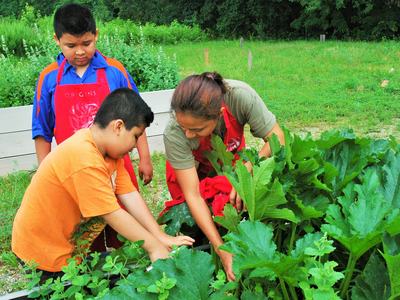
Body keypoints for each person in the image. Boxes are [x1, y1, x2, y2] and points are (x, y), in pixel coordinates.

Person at [12, 88, 194, 277]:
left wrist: (159, 236)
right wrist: (153, 247)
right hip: (43, 252)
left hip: (67, 247)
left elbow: (130, 195)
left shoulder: (109, 154)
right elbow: (112, 214)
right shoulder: (84, 158)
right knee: (63, 289)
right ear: (118, 127)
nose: (135, 145)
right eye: (136, 136)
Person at [32, 3, 153, 251]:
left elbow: (136, 117)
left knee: (126, 230)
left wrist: (145, 158)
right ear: (57, 40)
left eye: (86, 43)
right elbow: (42, 131)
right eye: (71, 46)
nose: (79, 52)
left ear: (96, 35)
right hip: (78, 171)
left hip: (118, 167)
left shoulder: (114, 71)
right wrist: (44, 171)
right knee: (86, 232)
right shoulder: (49, 78)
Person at [162, 72, 285, 281]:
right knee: (194, 228)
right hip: (190, 171)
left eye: (196, 129)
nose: (188, 134)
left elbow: (277, 139)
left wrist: (246, 170)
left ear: (219, 114)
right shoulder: (174, 132)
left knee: (232, 209)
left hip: (230, 163)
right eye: (184, 128)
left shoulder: (240, 97)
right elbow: (192, 194)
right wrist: (222, 250)